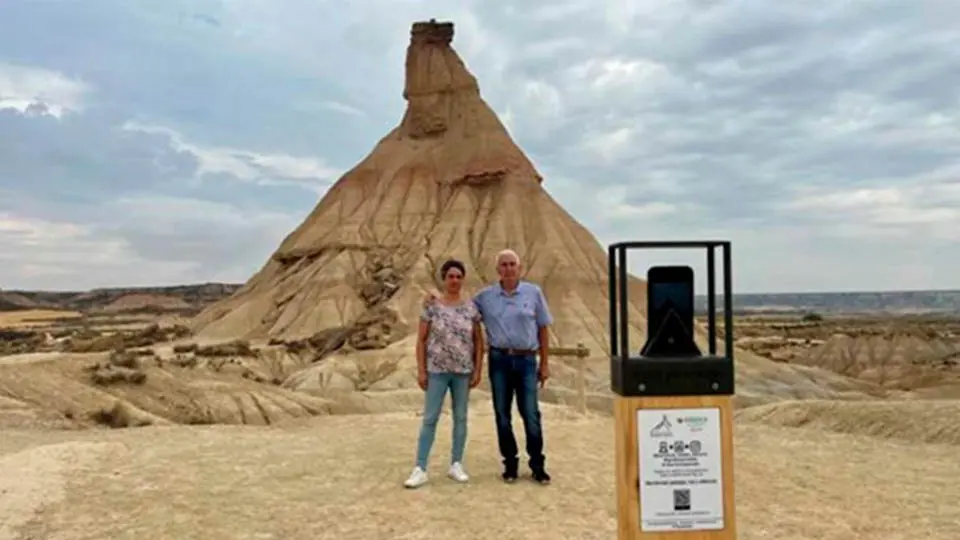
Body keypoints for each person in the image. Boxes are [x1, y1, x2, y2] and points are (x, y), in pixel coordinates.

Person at [424, 249, 554, 485]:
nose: (508, 268)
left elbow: (543, 329)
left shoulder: (533, 293)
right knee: (502, 415)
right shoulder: (485, 297)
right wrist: (434, 296)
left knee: (531, 414)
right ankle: (510, 466)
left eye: (512, 264)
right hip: (499, 360)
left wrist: (544, 363)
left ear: (519, 267)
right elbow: (457, 304)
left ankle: (537, 465)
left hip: (526, 360)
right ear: (498, 270)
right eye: (503, 265)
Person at [404, 259, 484, 489]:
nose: (455, 280)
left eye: (459, 276)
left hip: (462, 372)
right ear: (444, 278)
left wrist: (478, 369)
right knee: (430, 418)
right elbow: (421, 339)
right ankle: (420, 468)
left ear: (463, 279)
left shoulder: (470, 308)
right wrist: (421, 369)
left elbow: (478, 341)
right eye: (451, 276)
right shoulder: (432, 306)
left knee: (460, 418)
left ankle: (456, 464)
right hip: (437, 370)